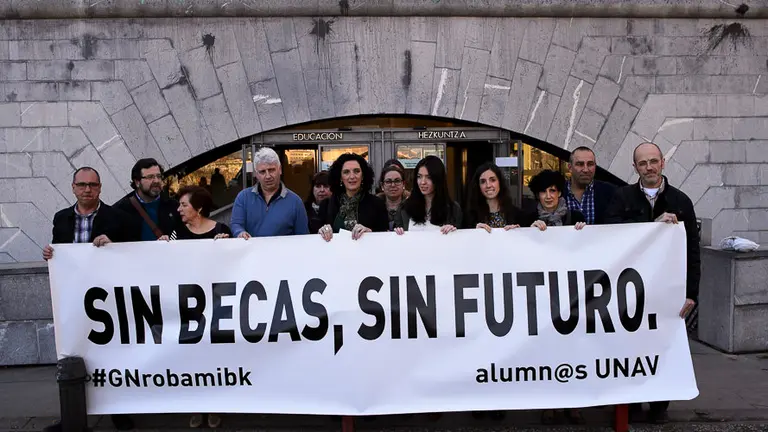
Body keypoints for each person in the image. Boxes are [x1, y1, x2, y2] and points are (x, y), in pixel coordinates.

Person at [604, 142, 701, 425]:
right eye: (643, 163)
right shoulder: (621, 197)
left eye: (653, 161)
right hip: (629, 290)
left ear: (662, 163)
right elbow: (609, 234)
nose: (649, 167)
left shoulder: (681, 201)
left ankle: (659, 405)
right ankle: (632, 403)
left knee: (663, 347)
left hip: (666, 291)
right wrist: (653, 227)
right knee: (629, 347)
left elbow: (692, 251)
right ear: (635, 167)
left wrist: (691, 293)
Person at [42, 167, 128, 260]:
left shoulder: (119, 218)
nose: (87, 190)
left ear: (99, 188)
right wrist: (49, 254)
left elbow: (130, 255)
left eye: (93, 185)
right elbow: (57, 251)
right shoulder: (61, 218)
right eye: (81, 184)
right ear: (73, 188)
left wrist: (113, 247)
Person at [230, 147, 309, 238]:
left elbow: (303, 237)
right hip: (251, 247)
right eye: (262, 172)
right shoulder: (243, 197)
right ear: (256, 174)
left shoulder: (295, 202)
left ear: (280, 170)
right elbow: (236, 224)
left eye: (271, 170)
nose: (268, 176)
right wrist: (240, 232)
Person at [318, 153, 389, 241]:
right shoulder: (326, 205)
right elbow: (315, 237)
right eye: (346, 172)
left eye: (356, 171)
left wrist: (370, 233)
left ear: (363, 176)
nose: (352, 176)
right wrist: (322, 231)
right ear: (340, 177)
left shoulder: (377, 204)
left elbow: (385, 237)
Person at [114, 158, 184, 242]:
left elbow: (186, 235)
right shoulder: (121, 209)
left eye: (159, 176)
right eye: (150, 177)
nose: (156, 181)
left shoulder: (174, 207)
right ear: (137, 182)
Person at [394, 155, 462, 234]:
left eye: (428, 177)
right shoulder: (404, 208)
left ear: (438, 179)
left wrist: (452, 231)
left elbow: (461, 237)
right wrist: (398, 233)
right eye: (419, 176)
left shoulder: (453, 209)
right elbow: (396, 236)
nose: (423, 182)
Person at [564, 146, 617, 225]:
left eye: (590, 164)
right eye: (580, 164)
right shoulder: (556, 193)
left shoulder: (611, 192)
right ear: (570, 167)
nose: (585, 169)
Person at [464, 162, 522, 232]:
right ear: (478, 186)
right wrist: (474, 231)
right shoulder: (469, 217)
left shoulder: (516, 214)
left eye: (493, 180)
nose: (488, 185)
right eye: (483, 181)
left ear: (500, 182)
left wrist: (517, 231)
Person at [166, 186, 231, 241]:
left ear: (199, 208)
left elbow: (231, 250)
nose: (178, 209)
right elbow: (169, 250)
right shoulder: (178, 232)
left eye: (184, 205)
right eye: (180, 205)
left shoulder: (221, 230)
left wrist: (224, 242)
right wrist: (163, 242)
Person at [376, 164, 408, 231]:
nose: (393, 185)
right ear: (382, 186)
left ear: (403, 184)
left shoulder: (413, 207)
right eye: (388, 181)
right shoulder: (373, 207)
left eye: (397, 181)